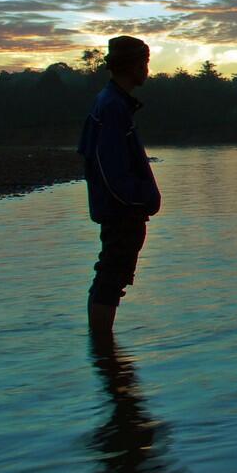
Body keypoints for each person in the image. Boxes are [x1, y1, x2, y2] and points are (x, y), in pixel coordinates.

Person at [79, 36, 161, 332]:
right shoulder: (112, 107)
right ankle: (103, 347)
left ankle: (104, 352)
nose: (147, 69)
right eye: (145, 63)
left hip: (121, 209)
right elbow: (111, 168)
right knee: (112, 276)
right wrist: (139, 199)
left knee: (112, 275)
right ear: (134, 65)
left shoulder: (113, 103)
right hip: (120, 211)